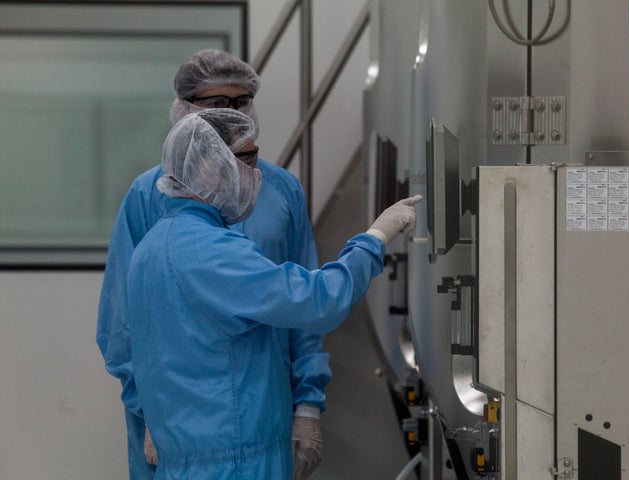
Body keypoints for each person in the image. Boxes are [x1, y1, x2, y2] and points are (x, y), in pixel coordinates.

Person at [126, 108, 421, 479]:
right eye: (248, 160)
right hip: (234, 466)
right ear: (207, 167)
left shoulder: (152, 247)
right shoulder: (211, 252)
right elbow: (318, 300)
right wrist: (375, 239)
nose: (258, 173)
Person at [97, 49, 328, 480]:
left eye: (242, 102)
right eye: (217, 104)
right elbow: (123, 319)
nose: (234, 113)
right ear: (184, 111)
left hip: (265, 414)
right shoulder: (151, 196)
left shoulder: (280, 191)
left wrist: (308, 403)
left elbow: (304, 300)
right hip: (180, 426)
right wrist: (147, 411)